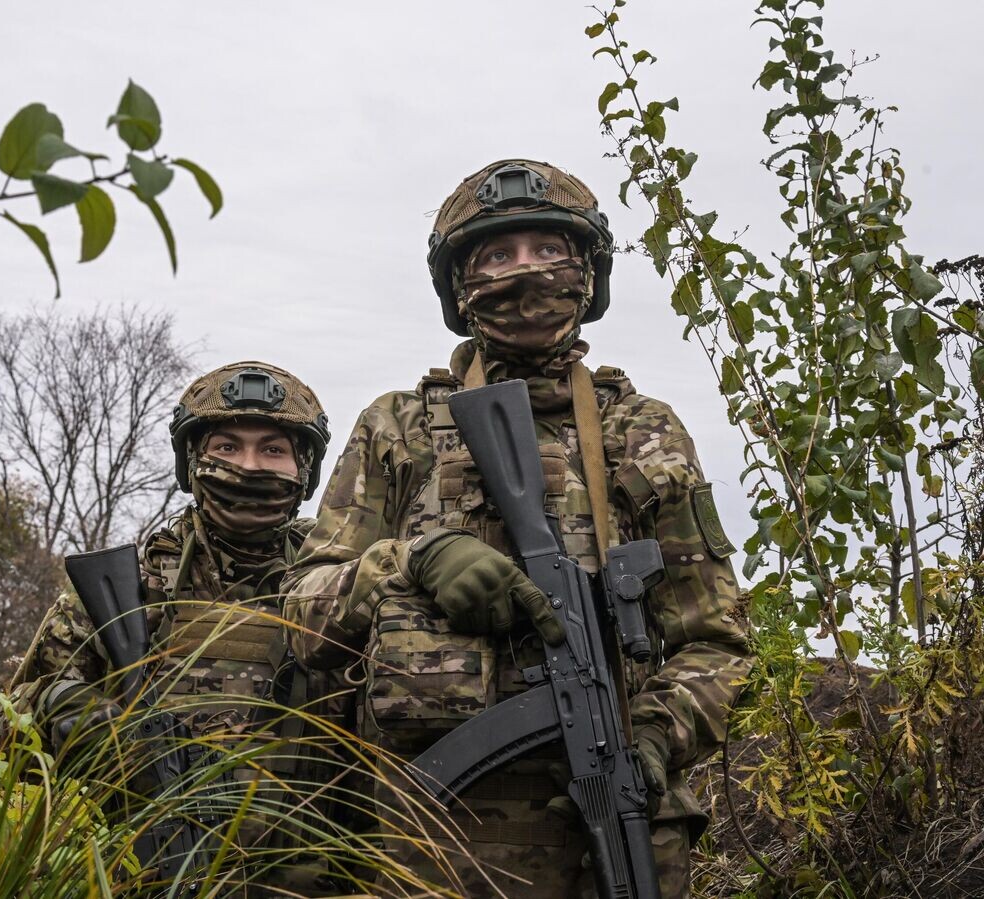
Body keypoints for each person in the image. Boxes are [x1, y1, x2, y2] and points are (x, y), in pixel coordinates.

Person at [282, 159, 753, 897]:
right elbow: (302, 614)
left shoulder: (645, 432)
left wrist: (657, 737)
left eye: (547, 249)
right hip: (428, 842)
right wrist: (415, 557)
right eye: (498, 255)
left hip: (610, 836)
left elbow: (716, 637)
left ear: (588, 273)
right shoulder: (399, 428)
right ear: (460, 286)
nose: (525, 272)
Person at [9, 360, 336, 895]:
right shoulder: (127, 590)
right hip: (144, 873)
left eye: (272, 450)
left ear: (303, 470)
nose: (249, 467)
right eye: (226, 447)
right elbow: (7, 731)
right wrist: (64, 712)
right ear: (193, 463)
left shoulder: (335, 587)